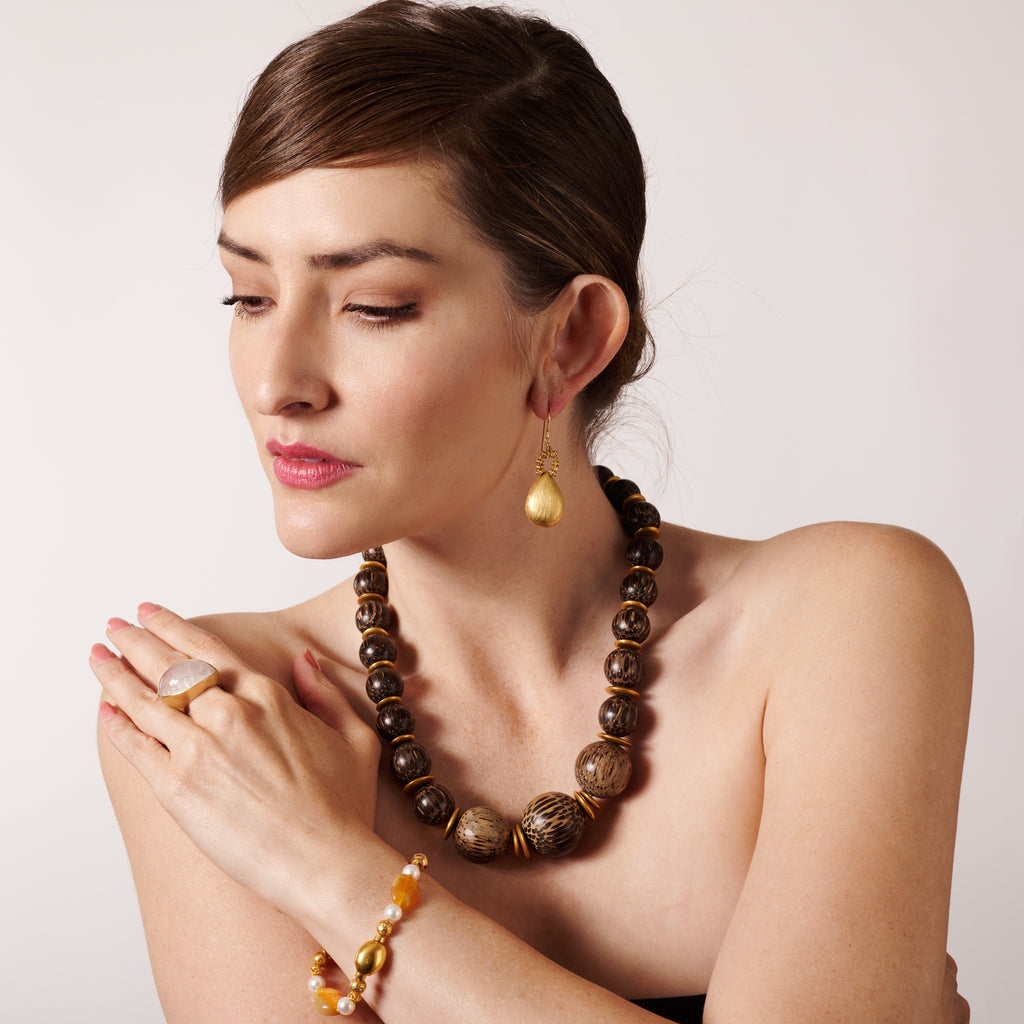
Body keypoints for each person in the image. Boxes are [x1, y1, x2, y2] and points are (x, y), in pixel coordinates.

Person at [90, 2, 972, 1021]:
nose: (275, 382)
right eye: (248, 297)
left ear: (571, 338)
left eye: (372, 306)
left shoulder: (842, 616)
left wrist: (323, 866)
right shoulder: (221, 716)